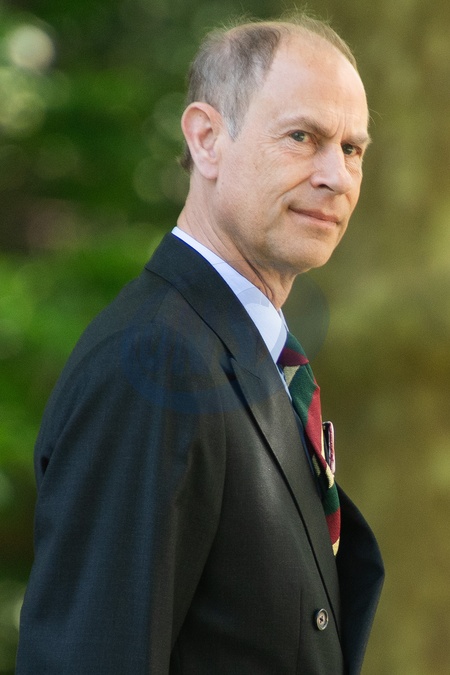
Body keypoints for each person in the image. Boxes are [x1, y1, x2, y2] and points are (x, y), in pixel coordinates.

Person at [16, 13, 384, 675]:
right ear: (207, 139)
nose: (337, 175)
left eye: (352, 149)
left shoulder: (241, 351)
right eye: (302, 137)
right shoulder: (154, 365)